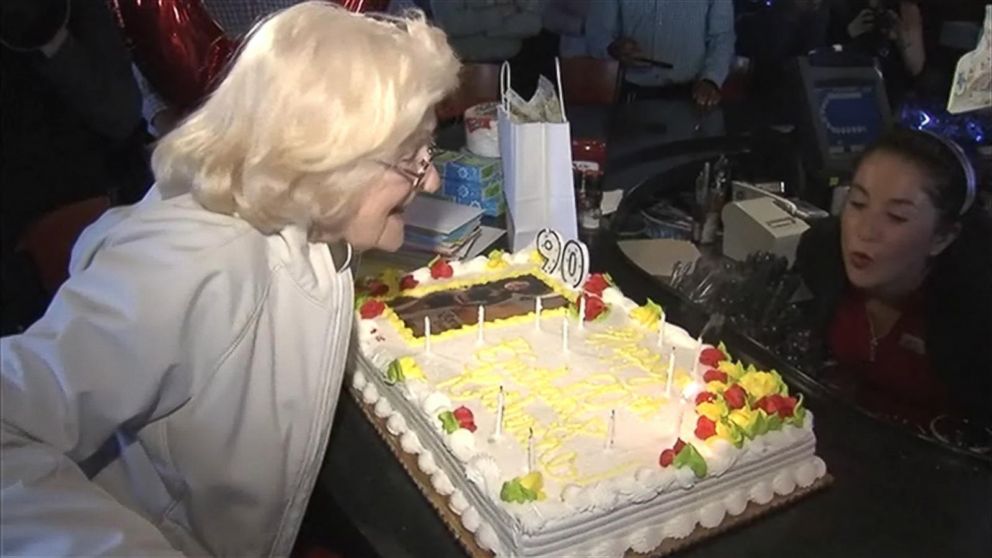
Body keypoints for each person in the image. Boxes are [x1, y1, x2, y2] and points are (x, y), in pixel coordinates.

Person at [0, 3, 459, 556]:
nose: (429, 179)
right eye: (411, 157)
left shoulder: (309, 216)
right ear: (331, 156)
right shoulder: (190, 261)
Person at [795, 127, 992, 427]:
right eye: (858, 204)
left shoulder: (977, 313)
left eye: (897, 217)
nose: (865, 231)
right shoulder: (822, 256)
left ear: (942, 237)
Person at [585, 0, 736, 107]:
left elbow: (722, 36)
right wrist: (614, 48)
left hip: (691, 96)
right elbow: (597, 33)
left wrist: (711, 80)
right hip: (630, 97)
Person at [828, 0, 928, 108]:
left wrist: (901, 37)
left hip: (892, 89)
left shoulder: (905, 8)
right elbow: (824, 54)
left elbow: (915, 68)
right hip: (851, 87)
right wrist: (848, 32)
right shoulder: (840, 8)